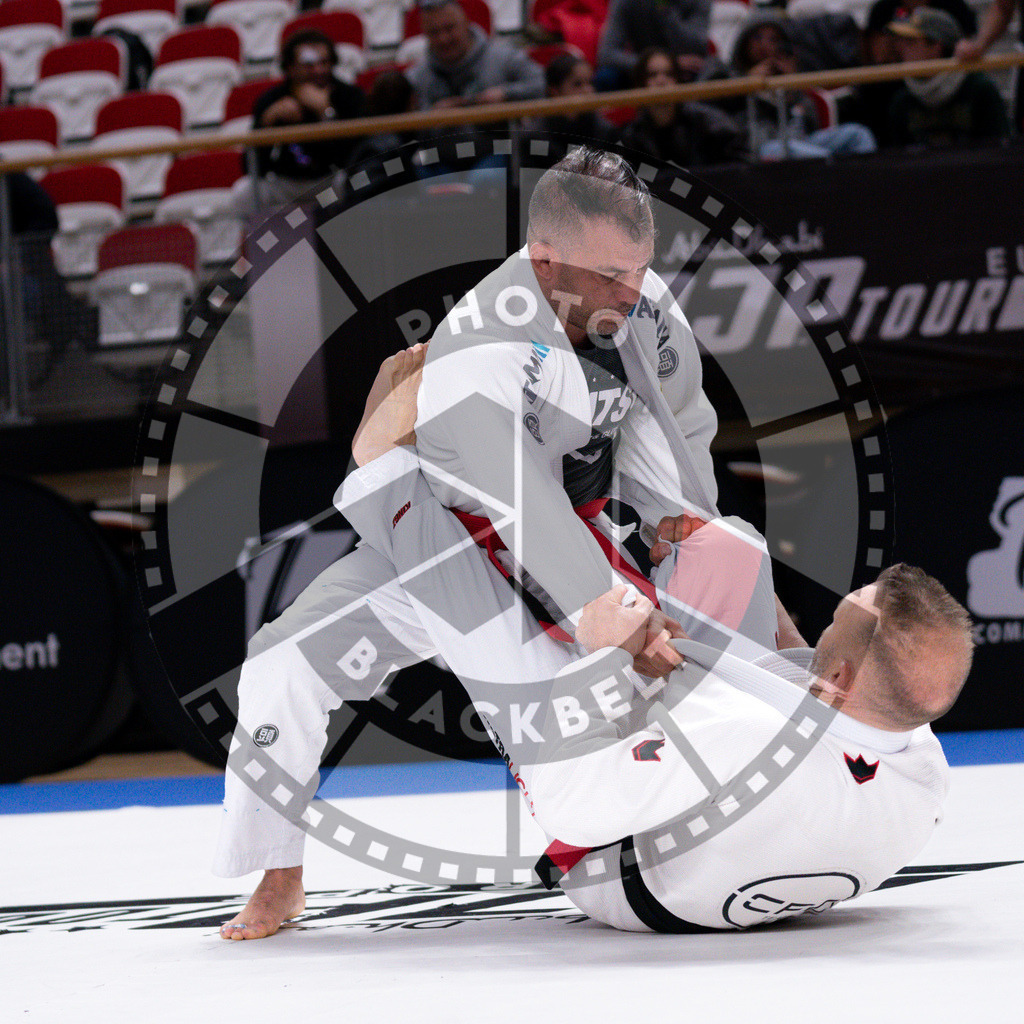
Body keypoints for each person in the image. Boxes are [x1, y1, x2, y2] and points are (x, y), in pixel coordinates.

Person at [222, 345, 973, 935]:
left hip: (584, 629)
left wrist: (610, 651)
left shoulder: (740, 731)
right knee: (283, 665)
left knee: (510, 615)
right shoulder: (911, 754)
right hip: (453, 552)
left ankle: (379, 472)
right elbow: (808, 670)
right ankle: (276, 867)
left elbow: (583, 791)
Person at [215, 148, 753, 935]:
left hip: (574, 539)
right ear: (545, 260)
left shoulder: (644, 305)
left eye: (639, 267)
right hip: (437, 546)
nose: (630, 289)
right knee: (277, 668)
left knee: (647, 685)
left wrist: (685, 532)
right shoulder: (483, 338)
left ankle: (678, 834)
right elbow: (512, 504)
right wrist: (598, 607)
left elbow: (676, 431)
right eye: (610, 273)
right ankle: (279, 874)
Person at [234, 29, 364, 216]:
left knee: (358, 181)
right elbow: (251, 166)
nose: (318, 70)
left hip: (329, 186)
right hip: (286, 189)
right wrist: (267, 123)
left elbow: (354, 158)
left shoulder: (349, 95)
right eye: (308, 65)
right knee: (243, 192)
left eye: (324, 63)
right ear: (290, 67)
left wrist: (326, 113)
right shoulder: (271, 100)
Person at [730, 10, 877, 160]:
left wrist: (793, 84)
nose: (765, 45)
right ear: (744, 42)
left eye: (773, 39)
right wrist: (748, 83)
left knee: (857, 134)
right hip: (762, 148)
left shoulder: (790, 74)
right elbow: (734, 125)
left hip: (801, 142)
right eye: (757, 38)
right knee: (777, 148)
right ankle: (836, 168)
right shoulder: (731, 77)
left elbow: (812, 122)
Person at [886, 8, 1010, 147]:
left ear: (936, 46)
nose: (901, 49)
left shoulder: (979, 90)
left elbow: (999, 150)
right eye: (900, 41)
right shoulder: (902, 99)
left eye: (910, 42)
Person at [617, 47, 745, 167]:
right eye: (652, 75)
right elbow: (646, 178)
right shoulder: (632, 136)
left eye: (669, 74)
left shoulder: (708, 123)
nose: (661, 81)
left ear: (678, 80)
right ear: (641, 83)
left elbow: (735, 165)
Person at [595, 0, 712, 90]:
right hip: (643, 70)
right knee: (606, 78)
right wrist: (660, 65)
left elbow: (698, 46)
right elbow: (606, 54)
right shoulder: (625, 2)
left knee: (712, 76)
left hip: (687, 71)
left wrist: (665, 11)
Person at [526, 51, 617, 147]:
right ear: (554, 91)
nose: (588, 90)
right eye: (577, 84)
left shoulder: (604, 130)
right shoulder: (536, 137)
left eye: (590, 82)